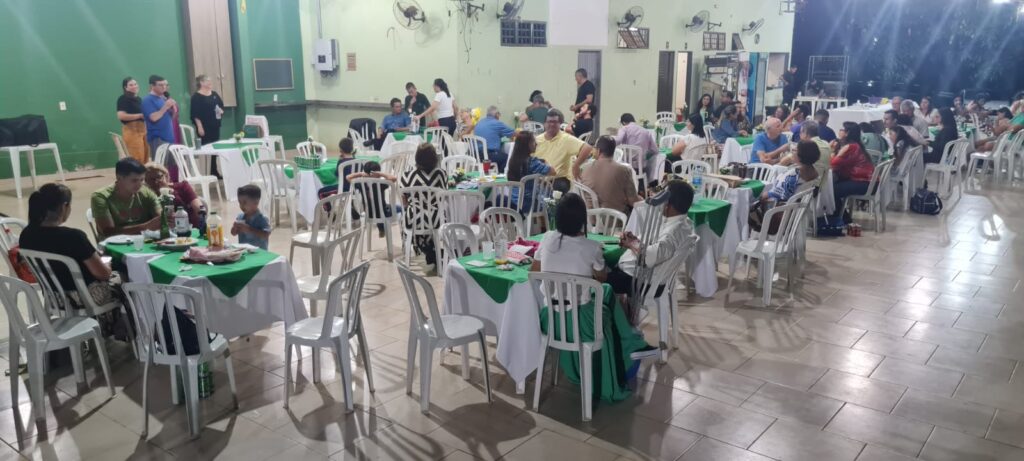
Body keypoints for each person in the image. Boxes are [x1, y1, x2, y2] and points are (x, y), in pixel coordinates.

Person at [531, 192, 658, 402]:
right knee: (605, 302)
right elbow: (600, 277)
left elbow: (534, 270)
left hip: (551, 319)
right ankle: (629, 345)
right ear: (582, 220)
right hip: (583, 322)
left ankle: (631, 341)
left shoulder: (547, 238)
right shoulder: (590, 247)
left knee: (605, 292)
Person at [21, 183, 119, 306]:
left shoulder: (26, 235)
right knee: (124, 280)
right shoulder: (74, 237)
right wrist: (107, 263)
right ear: (64, 206)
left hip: (55, 299)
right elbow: (103, 274)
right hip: (86, 299)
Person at [608, 181, 695, 315]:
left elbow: (648, 258)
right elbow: (655, 247)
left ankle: (614, 320)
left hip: (641, 282)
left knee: (598, 277)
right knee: (605, 263)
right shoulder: (682, 222)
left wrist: (632, 244)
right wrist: (635, 240)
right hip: (643, 276)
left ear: (668, 204)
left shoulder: (672, 233)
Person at [399, 144, 447, 275]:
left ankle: (426, 249)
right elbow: (443, 197)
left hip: (413, 218)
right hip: (435, 218)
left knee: (407, 217)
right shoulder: (441, 174)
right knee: (437, 215)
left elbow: (404, 200)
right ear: (434, 158)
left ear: (417, 158)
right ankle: (431, 250)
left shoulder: (406, 176)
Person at [91, 158, 161, 239]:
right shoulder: (101, 197)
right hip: (114, 244)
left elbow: (160, 219)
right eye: (134, 180)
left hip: (145, 241)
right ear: (119, 178)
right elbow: (108, 232)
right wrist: (145, 227)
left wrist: (167, 219)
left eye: (142, 180)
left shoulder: (147, 193)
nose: (139, 184)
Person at [580, 136, 641, 214]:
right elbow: (633, 201)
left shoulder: (585, 168)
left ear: (598, 151)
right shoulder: (624, 170)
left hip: (590, 217)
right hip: (616, 218)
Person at [830, 122, 875, 220]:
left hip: (863, 182)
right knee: (831, 186)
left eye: (842, 130)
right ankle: (842, 217)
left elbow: (832, 164)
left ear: (847, 133)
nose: (839, 131)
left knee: (830, 190)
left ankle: (841, 218)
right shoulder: (856, 145)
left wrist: (832, 150)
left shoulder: (850, 147)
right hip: (867, 181)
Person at [535, 109, 593, 179]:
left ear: (560, 124)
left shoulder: (566, 138)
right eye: (549, 121)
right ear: (544, 124)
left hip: (559, 178)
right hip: (537, 179)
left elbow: (587, 148)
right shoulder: (537, 140)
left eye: (555, 122)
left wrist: (576, 165)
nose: (552, 124)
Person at [506, 131, 555, 211]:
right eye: (533, 142)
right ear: (526, 145)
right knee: (549, 201)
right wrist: (546, 162)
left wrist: (539, 180)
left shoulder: (513, 160)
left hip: (513, 201)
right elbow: (553, 172)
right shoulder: (532, 162)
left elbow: (524, 179)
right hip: (527, 203)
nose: (536, 144)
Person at [348, 161, 399, 237]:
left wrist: (361, 174)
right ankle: (382, 228)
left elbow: (348, 177)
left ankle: (381, 228)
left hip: (368, 213)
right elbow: (394, 178)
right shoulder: (381, 183)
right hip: (383, 212)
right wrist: (381, 174)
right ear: (377, 173)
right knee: (399, 208)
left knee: (380, 210)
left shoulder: (361, 184)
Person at [144, 163, 202, 227]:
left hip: (191, 227)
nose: (156, 182)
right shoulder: (147, 197)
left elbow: (200, 210)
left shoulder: (183, 187)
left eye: (159, 177)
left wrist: (180, 221)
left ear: (166, 176)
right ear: (146, 181)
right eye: (151, 179)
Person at [190, 74, 225, 177]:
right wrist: (199, 127)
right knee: (206, 148)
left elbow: (220, 105)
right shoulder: (196, 97)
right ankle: (206, 171)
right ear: (201, 83)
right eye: (207, 81)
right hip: (204, 126)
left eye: (210, 80)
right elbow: (195, 114)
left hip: (215, 125)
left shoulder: (214, 94)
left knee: (214, 148)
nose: (210, 82)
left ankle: (214, 170)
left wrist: (221, 111)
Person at [613, 113, 658, 184]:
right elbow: (655, 150)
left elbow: (618, 141)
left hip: (626, 167)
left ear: (623, 122)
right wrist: (644, 154)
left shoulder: (624, 129)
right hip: (641, 168)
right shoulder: (646, 132)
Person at [141, 75, 177, 161]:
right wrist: (166, 106)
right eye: (160, 85)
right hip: (158, 138)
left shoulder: (163, 98)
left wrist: (173, 109)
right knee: (160, 165)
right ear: (152, 86)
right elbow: (153, 118)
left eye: (165, 85)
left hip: (168, 136)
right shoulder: (147, 100)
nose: (164, 87)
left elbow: (169, 118)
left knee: (169, 165)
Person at [116, 77, 149, 163]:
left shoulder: (139, 99)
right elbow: (121, 116)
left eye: (135, 84)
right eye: (131, 85)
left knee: (146, 156)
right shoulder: (123, 99)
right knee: (136, 158)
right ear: (125, 87)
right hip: (132, 132)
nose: (134, 86)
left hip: (143, 131)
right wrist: (139, 115)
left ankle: (144, 172)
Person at [472, 106, 516, 171]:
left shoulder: (479, 122)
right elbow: (513, 133)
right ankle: (501, 176)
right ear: (497, 114)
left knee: (500, 155)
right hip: (487, 156)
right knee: (508, 158)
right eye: (499, 114)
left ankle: (494, 173)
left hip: (475, 155)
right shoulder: (497, 123)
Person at [230, 185, 271, 250]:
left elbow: (266, 234)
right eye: (240, 202)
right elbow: (233, 233)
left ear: (256, 203)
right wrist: (234, 228)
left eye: (244, 203)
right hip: (244, 251)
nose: (241, 206)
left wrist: (249, 230)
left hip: (259, 252)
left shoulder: (262, 219)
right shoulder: (240, 217)